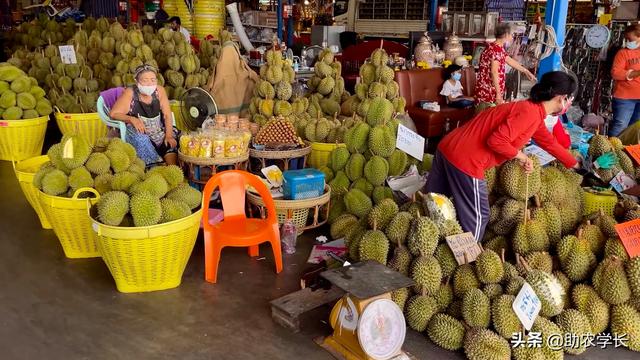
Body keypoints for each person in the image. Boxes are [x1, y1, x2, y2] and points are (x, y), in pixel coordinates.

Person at [425, 71, 579, 242]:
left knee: (435, 203)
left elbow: (549, 143)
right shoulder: (529, 113)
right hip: (466, 160)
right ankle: (465, 260)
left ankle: (432, 246)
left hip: (448, 147)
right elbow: (496, 141)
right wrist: (522, 156)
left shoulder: (533, 112)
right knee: (479, 216)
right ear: (561, 97)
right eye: (569, 99)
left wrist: (574, 165)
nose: (568, 104)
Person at [109, 65, 178, 165]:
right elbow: (113, 114)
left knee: (172, 142)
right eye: (145, 80)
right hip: (138, 132)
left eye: (153, 80)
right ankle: (154, 166)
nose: (150, 84)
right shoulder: (130, 93)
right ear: (137, 82)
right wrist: (132, 119)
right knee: (142, 141)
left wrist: (169, 136)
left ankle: (171, 167)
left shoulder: (160, 91)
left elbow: (167, 115)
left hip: (157, 130)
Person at [475, 23, 537, 110]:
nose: (512, 37)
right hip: (489, 92)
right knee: (485, 118)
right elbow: (494, 72)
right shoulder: (496, 50)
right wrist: (498, 95)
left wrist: (526, 71)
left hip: (488, 91)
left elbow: (510, 60)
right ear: (505, 35)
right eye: (511, 34)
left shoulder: (495, 47)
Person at [609, 24, 640, 137]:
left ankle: (628, 153)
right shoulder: (622, 53)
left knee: (635, 129)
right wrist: (636, 73)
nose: (628, 42)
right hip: (624, 97)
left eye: (630, 39)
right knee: (620, 126)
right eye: (626, 39)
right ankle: (611, 152)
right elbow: (615, 73)